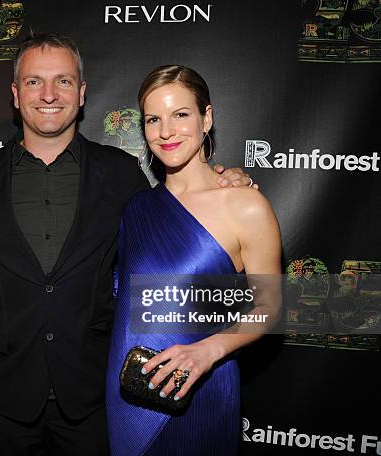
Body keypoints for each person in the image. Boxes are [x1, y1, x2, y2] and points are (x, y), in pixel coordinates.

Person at [0, 33, 253, 455]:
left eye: (63, 81)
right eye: (34, 82)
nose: (48, 94)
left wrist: (226, 179)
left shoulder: (121, 175)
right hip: (4, 398)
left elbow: (179, 216)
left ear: (81, 93)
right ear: (15, 94)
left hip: (97, 396)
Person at [105, 65, 282, 455]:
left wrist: (210, 350)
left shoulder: (245, 204)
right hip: (128, 389)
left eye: (180, 114)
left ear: (207, 117)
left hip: (203, 389)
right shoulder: (137, 206)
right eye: (154, 119)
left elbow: (271, 304)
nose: (165, 131)